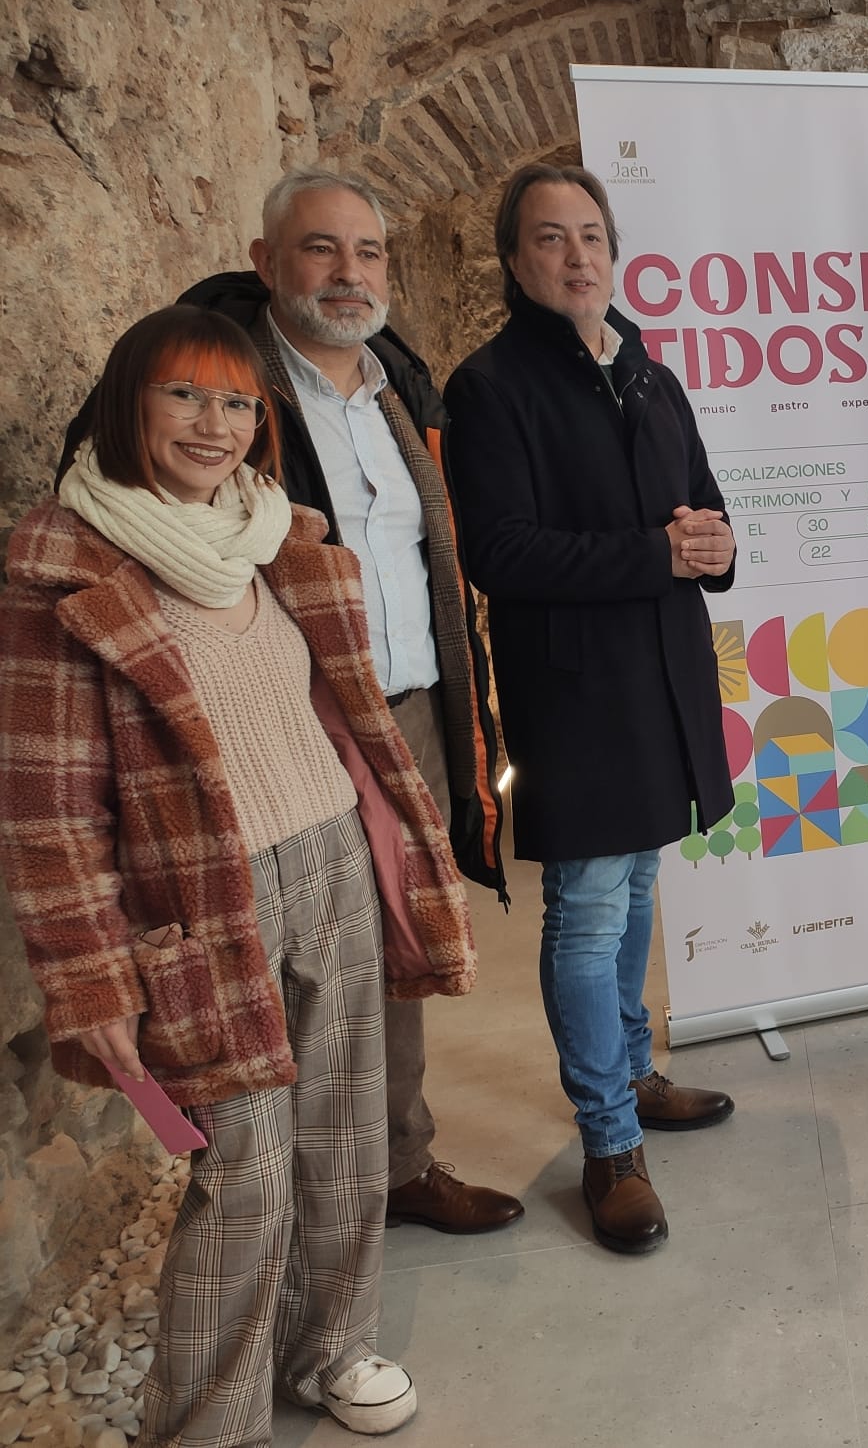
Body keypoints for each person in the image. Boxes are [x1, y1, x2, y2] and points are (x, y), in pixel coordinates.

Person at [0, 306, 477, 1441]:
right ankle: (210, 1421)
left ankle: (333, 1349)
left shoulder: (274, 535)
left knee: (348, 1131)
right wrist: (91, 978)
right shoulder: (60, 570)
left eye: (235, 402)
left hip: (333, 862)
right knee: (244, 1170)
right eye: (184, 396)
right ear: (129, 404)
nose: (213, 425)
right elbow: (46, 809)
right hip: (200, 904)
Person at [59, 169, 522, 1236]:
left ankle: (394, 1165)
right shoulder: (219, 378)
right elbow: (121, 507)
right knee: (282, 966)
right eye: (321, 249)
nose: (348, 274)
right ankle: (282, 1200)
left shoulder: (399, 390)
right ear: (267, 264)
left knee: (394, 946)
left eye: (368, 253)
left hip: (408, 706)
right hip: (283, 720)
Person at [443, 164, 736, 1256]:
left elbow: (702, 505)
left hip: (661, 677)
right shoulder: (491, 385)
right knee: (588, 906)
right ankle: (608, 1142)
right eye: (550, 239)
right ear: (515, 262)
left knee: (639, 878)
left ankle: (632, 1071)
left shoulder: (651, 373)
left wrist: (717, 546)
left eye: (591, 237)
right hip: (574, 693)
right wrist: (654, 551)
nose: (576, 257)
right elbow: (498, 552)